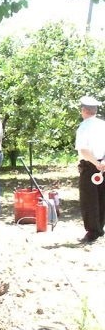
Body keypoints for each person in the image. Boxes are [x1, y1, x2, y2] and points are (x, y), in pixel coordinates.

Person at [75, 95, 105, 243]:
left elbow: (84, 150)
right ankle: (100, 227)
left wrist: (95, 163)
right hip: (103, 164)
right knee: (101, 197)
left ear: (84, 110)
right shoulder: (102, 125)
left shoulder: (84, 127)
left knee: (89, 199)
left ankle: (93, 231)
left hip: (90, 166)